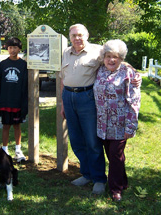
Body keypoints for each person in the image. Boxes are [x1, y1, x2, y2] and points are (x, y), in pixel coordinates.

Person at [60, 24, 107, 195]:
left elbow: (115, 61)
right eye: (73, 36)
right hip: (69, 97)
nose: (77, 38)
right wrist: (63, 104)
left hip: (87, 98)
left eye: (80, 35)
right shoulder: (65, 52)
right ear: (70, 37)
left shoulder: (98, 51)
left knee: (92, 141)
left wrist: (131, 70)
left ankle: (99, 178)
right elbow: (62, 79)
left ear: (87, 35)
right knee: (76, 140)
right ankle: (86, 174)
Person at [93, 39, 140, 201]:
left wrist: (131, 126)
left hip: (120, 123)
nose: (111, 60)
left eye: (116, 57)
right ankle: (123, 181)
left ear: (121, 58)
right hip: (102, 123)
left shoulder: (128, 72)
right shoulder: (100, 70)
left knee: (115, 155)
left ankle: (115, 189)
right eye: (108, 56)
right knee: (114, 156)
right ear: (103, 57)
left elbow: (134, 101)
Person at [0, 37, 28, 162]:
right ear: (6, 48)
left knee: (16, 126)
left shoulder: (23, 64)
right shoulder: (3, 64)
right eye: (10, 47)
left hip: (17, 101)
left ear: (19, 49)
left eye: (15, 47)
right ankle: (4, 150)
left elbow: (25, 85)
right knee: (5, 126)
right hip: (5, 101)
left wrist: (23, 102)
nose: (12, 50)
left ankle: (18, 150)